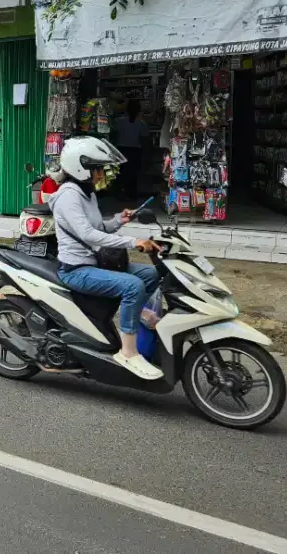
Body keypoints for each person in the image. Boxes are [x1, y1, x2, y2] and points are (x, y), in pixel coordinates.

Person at [47, 136, 164, 380]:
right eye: (97, 170)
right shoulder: (69, 196)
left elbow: (100, 228)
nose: (101, 175)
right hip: (76, 270)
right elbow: (89, 236)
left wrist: (121, 220)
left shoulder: (86, 193)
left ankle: (136, 315)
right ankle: (128, 353)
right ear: (81, 168)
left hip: (96, 263)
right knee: (133, 285)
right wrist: (134, 241)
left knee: (153, 274)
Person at [111, 100, 150, 200]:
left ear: (126, 110)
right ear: (138, 111)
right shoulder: (141, 123)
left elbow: (114, 136)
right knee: (133, 174)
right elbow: (143, 140)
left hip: (121, 150)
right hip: (135, 151)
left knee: (120, 173)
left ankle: (119, 194)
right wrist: (146, 152)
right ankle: (131, 195)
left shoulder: (119, 121)